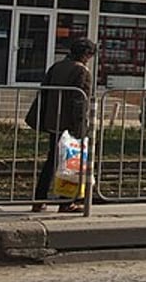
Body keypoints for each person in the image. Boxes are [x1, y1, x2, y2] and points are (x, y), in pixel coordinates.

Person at [29, 37, 96, 212]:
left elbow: (44, 92)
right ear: (86, 55)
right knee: (69, 162)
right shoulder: (81, 72)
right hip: (70, 125)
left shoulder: (56, 67)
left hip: (53, 121)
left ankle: (39, 200)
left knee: (52, 161)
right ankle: (66, 202)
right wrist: (81, 127)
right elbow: (80, 101)